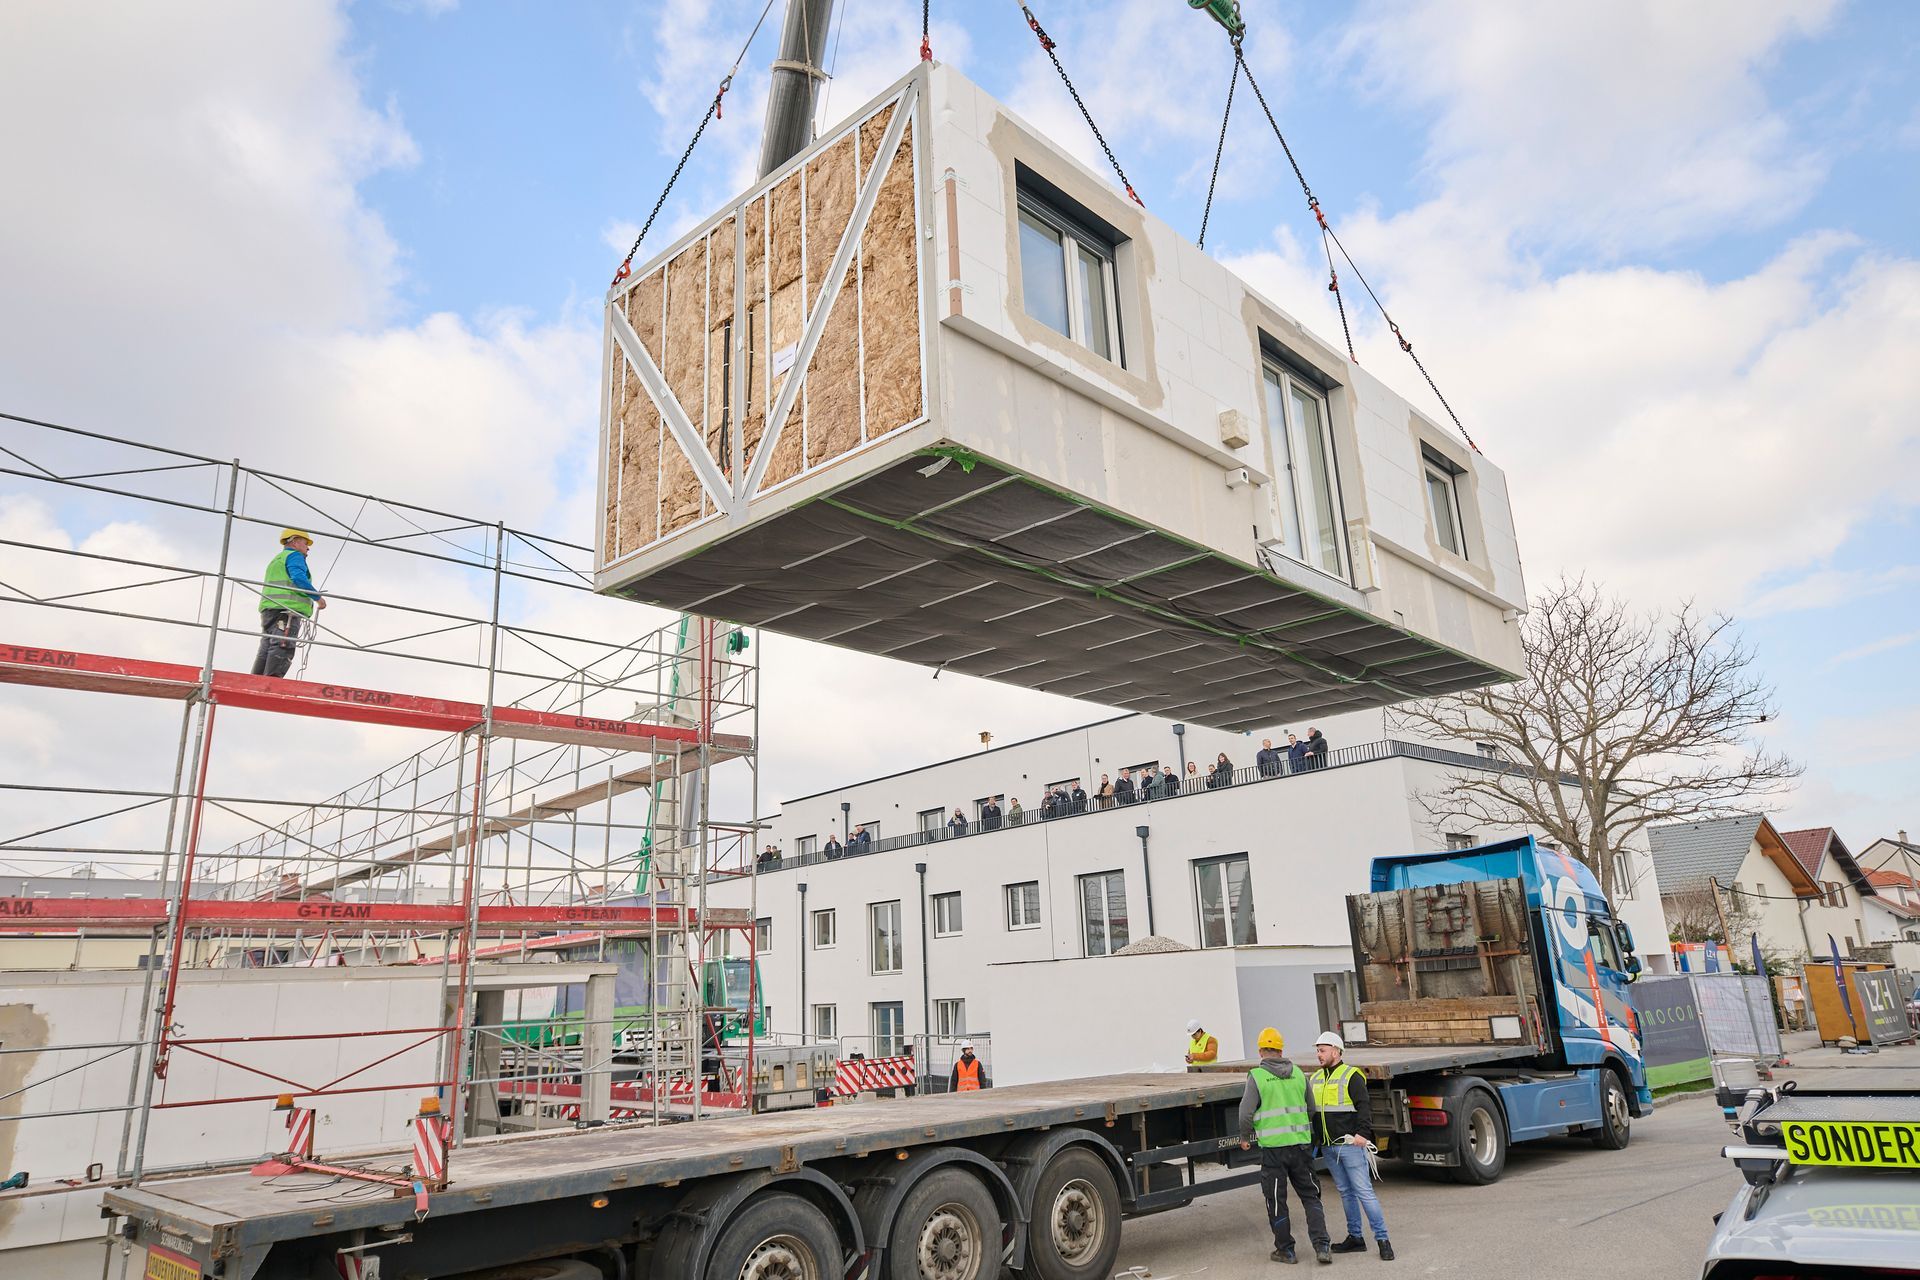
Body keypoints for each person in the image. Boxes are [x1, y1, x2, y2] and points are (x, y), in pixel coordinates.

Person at [1238, 1028, 1329, 1265]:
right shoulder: (1299, 1074)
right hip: (1300, 1147)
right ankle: (1323, 1246)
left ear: (1260, 1051)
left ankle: (1286, 1251)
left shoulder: (1257, 1076)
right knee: (1311, 1196)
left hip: (1274, 1151)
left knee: (1277, 1201)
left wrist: (1245, 1136)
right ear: (1281, 1050)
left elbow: (1245, 1112)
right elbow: (1311, 1108)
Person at [1311, 1032, 1393, 1260]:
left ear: (1336, 1051)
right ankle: (1355, 1237)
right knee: (1346, 1193)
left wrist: (1362, 1134)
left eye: (1323, 1050)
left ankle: (1383, 1240)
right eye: (1317, 1050)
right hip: (1328, 1146)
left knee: (1364, 1192)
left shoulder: (1352, 1076)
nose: (1318, 1054)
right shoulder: (1315, 1078)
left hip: (1350, 1145)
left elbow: (1364, 1107)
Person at [252, 529, 327, 678]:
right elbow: (298, 578)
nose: (308, 548)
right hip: (286, 610)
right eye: (305, 543)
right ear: (295, 541)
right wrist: (317, 598)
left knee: (267, 646)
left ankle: (255, 679)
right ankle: (272, 682)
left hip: (270, 609)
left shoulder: (277, 559)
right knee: (283, 644)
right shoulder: (294, 556)